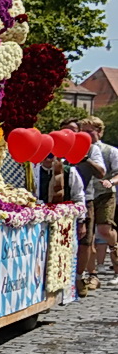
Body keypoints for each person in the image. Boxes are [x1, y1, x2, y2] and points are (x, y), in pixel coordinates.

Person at [79, 117, 118, 275]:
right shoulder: (81, 148)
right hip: (87, 195)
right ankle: (92, 272)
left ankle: (115, 248)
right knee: (89, 236)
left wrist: (111, 182)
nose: (86, 135)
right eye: (83, 132)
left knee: (104, 230)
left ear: (100, 132)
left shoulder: (110, 151)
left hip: (105, 194)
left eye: (90, 132)